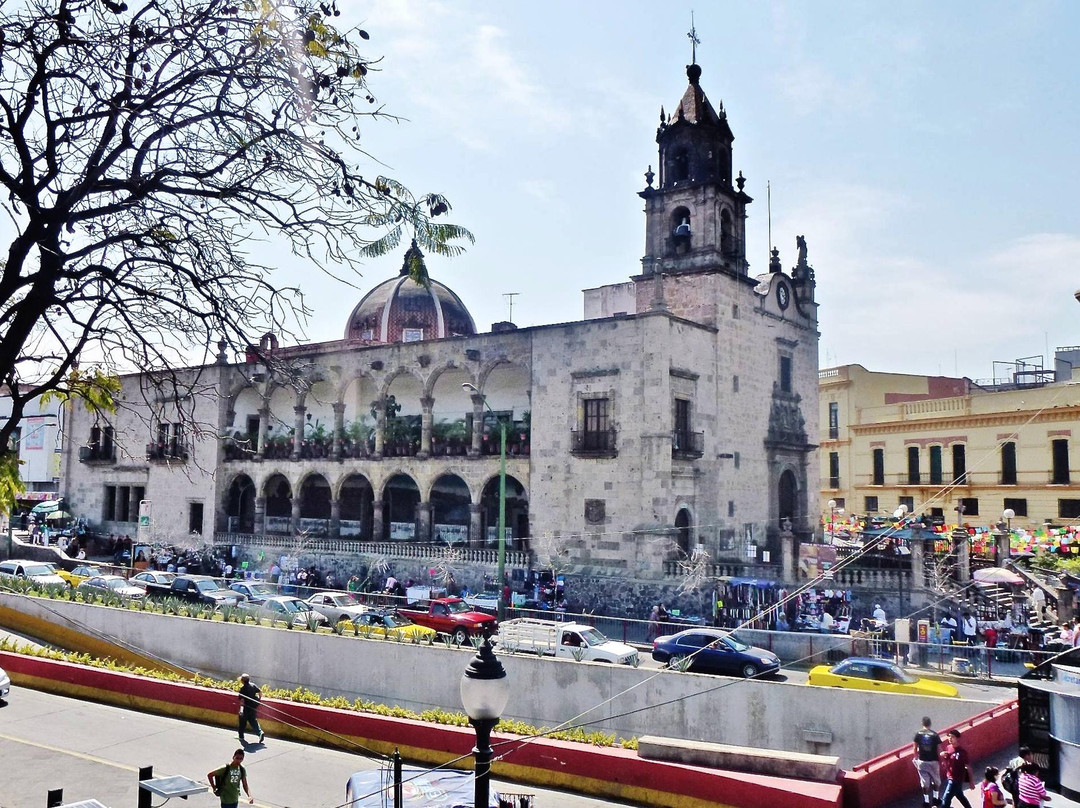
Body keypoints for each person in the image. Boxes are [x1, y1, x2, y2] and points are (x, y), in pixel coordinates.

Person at [940, 729, 975, 808]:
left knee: (946, 799)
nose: (950, 738)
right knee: (959, 795)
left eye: (952, 737)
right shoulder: (948, 748)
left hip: (956, 779)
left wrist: (971, 781)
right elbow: (946, 764)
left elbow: (968, 767)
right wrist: (943, 757)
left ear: (957, 739)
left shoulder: (962, 752)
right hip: (950, 776)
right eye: (949, 736)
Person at [912, 716, 942, 808]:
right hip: (933, 761)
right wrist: (941, 760)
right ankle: (936, 799)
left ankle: (926, 801)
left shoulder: (918, 734)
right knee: (936, 781)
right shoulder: (935, 735)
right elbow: (939, 749)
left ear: (922, 724)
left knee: (924, 782)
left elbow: (914, 748)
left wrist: (916, 758)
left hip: (922, 761)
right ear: (930, 724)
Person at [237, 674, 265, 744]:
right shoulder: (253, 685)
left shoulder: (243, 689)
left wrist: (241, 710)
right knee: (253, 721)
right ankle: (260, 733)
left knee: (242, 722)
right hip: (253, 707)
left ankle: (241, 736)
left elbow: (241, 700)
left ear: (242, 681)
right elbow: (260, 692)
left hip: (246, 708)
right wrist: (259, 699)